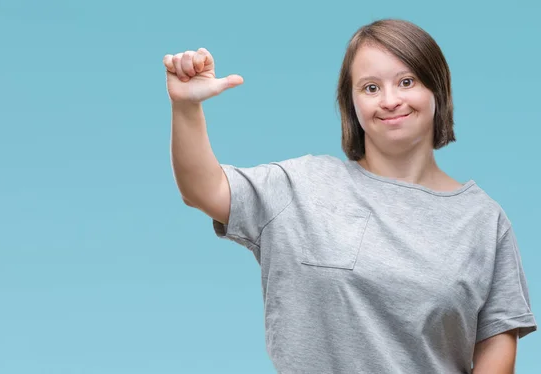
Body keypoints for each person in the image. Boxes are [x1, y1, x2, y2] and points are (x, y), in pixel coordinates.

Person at [163, 19, 537, 373]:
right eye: (370, 87)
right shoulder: (300, 186)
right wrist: (186, 107)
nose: (390, 100)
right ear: (352, 103)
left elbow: (496, 351)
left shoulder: (484, 221)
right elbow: (203, 189)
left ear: (436, 89)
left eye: (407, 81)